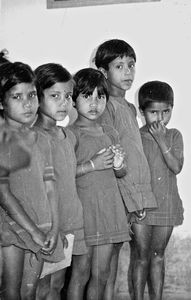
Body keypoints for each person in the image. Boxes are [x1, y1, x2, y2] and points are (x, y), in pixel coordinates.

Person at [94, 38, 157, 299]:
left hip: (139, 191)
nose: (128, 72)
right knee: (108, 263)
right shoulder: (105, 106)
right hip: (121, 194)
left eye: (131, 65)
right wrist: (129, 201)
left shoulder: (130, 107)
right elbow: (114, 156)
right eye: (119, 66)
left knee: (141, 254)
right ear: (103, 72)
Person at [0, 61, 64, 300]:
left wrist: (55, 227)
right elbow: (4, 194)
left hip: (43, 225)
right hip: (11, 227)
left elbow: (50, 186)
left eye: (32, 95)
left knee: (30, 292)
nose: (27, 103)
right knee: (11, 293)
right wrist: (34, 232)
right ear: (1, 102)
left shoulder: (41, 140)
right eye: (17, 97)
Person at [68, 67, 130, 300]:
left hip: (109, 211)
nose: (94, 103)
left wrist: (118, 164)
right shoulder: (70, 134)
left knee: (101, 274)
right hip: (83, 213)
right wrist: (92, 165)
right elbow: (64, 175)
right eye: (87, 96)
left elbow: (122, 173)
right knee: (80, 274)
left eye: (100, 96)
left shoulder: (111, 132)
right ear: (74, 100)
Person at [34, 62, 87, 300]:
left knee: (56, 286)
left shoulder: (68, 136)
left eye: (68, 96)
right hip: (46, 226)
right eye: (55, 95)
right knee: (40, 287)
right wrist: (52, 228)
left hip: (71, 222)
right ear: (36, 96)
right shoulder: (32, 137)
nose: (64, 102)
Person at [136, 80, 184, 299]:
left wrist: (161, 140)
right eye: (153, 112)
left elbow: (176, 167)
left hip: (166, 204)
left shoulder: (174, 135)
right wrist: (135, 204)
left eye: (166, 111)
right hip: (141, 207)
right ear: (142, 112)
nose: (160, 118)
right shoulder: (135, 137)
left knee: (158, 255)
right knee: (141, 257)